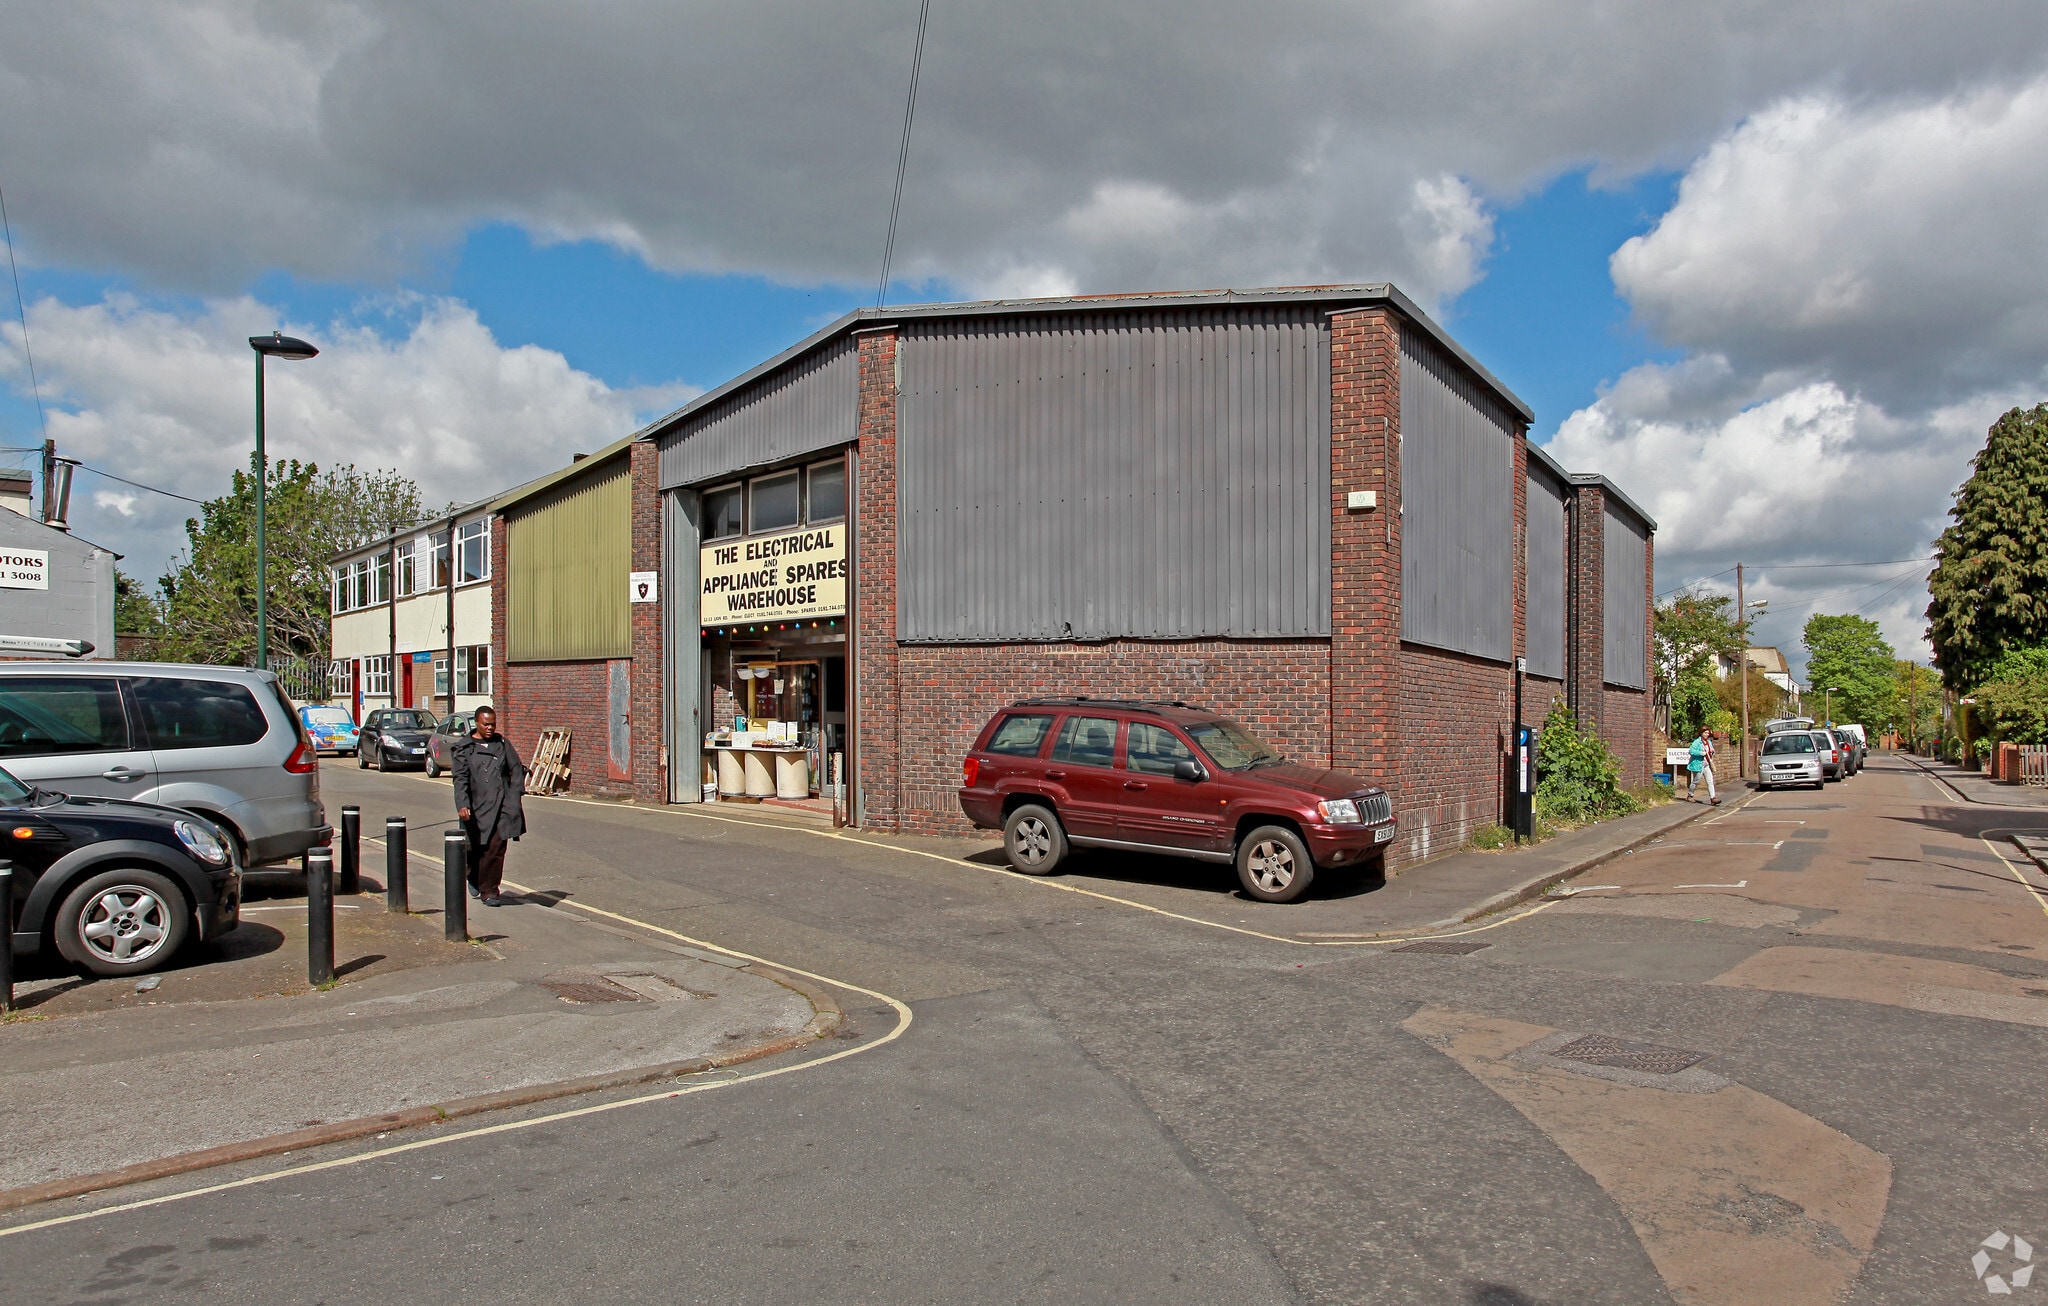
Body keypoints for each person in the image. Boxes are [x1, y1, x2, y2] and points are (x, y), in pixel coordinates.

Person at [452, 706, 526, 907]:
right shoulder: (464, 748)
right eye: (486, 724)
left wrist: (514, 795)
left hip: (502, 806)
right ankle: (473, 876)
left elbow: (516, 768)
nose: (490, 728)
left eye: (493, 723)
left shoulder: (502, 743)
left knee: (496, 849)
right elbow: (460, 779)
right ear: (476, 723)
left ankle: (490, 891)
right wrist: (463, 803)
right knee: (478, 848)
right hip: (477, 807)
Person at [1687, 727, 1720, 805]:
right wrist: (1701, 753)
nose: (1706, 734)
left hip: (1706, 764)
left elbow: (1710, 752)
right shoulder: (1697, 742)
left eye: (1708, 733)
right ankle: (1690, 795)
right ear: (1701, 733)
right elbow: (1691, 751)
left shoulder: (1708, 742)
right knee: (1696, 781)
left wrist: (1712, 751)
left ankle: (1713, 798)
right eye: (1705, 733)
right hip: (1698, 764)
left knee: (1710, 781)